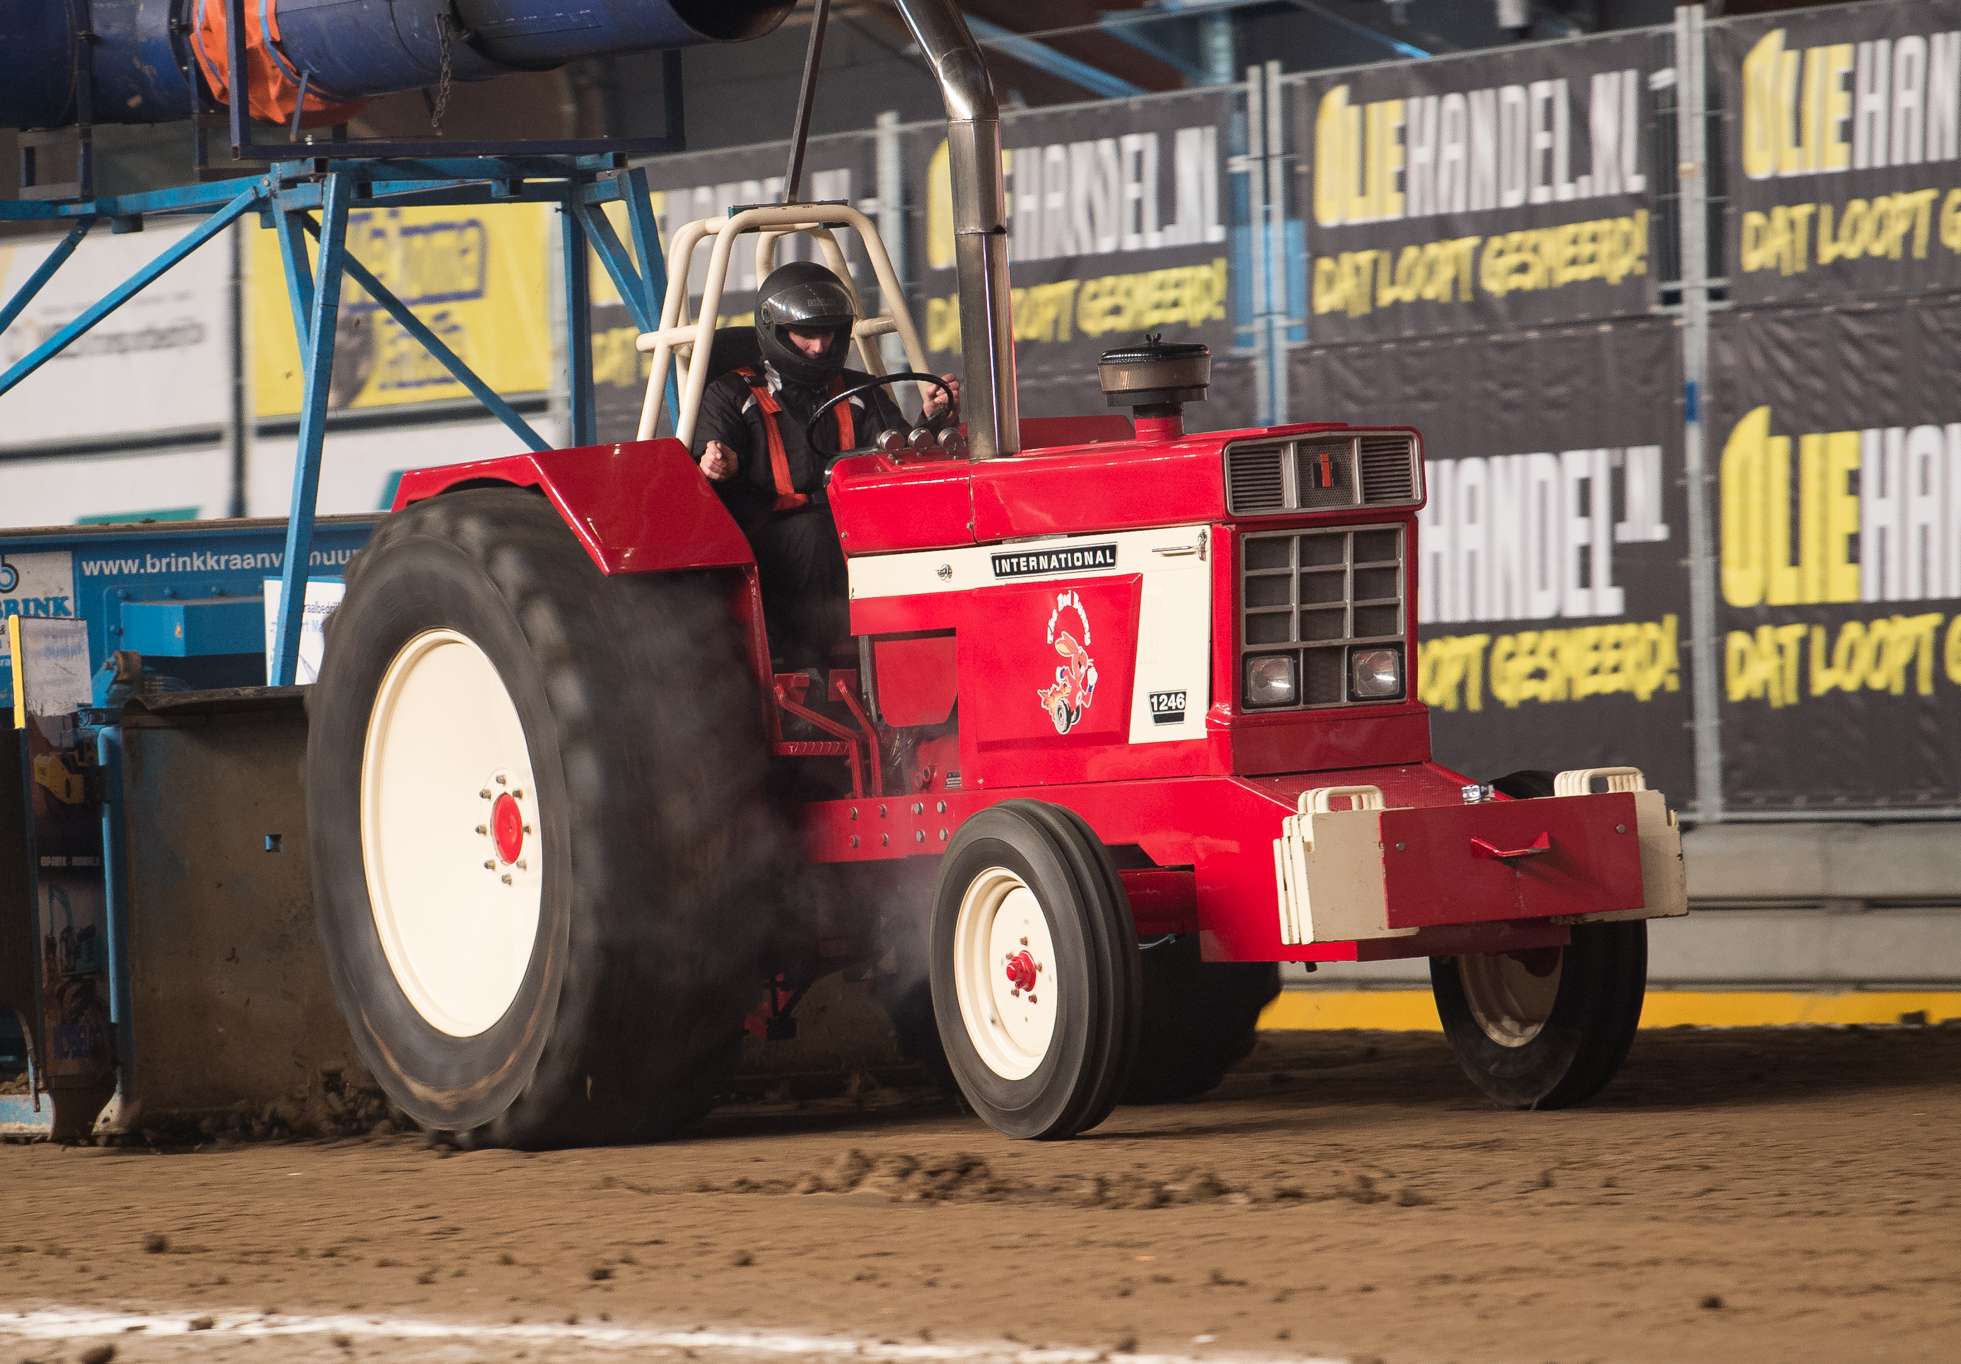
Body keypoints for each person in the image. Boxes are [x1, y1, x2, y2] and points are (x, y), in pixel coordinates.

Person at [693, 261, 958, 670]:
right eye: (807, 335)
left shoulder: (859, 391)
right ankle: (811, 672)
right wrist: (718, 468)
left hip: (850, 526)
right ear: (776, 331)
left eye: (829, 333)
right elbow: (711, 464)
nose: (819, 348)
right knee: (813, 532)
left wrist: (932, 421)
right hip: (767, 534)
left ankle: (922, 660)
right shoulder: (730, 393)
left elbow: (899, 460)